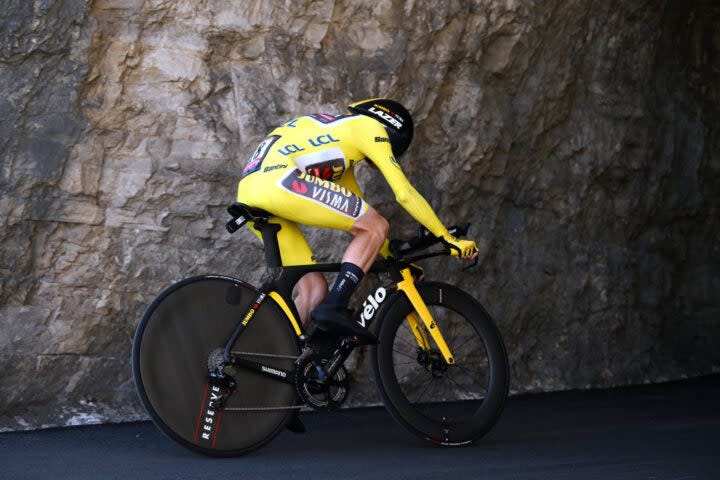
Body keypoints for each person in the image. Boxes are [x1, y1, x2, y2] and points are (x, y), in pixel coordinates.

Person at [235, 98, 478, 344]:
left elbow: (361, 224)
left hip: (251, 190)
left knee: (314, 290)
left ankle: (276, 359)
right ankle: (335, 306)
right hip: (278, 180)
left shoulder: (339, 148)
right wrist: (447, 238)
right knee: (378, 224)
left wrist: (393, 259)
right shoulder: (370, 128)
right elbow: (403, 194)